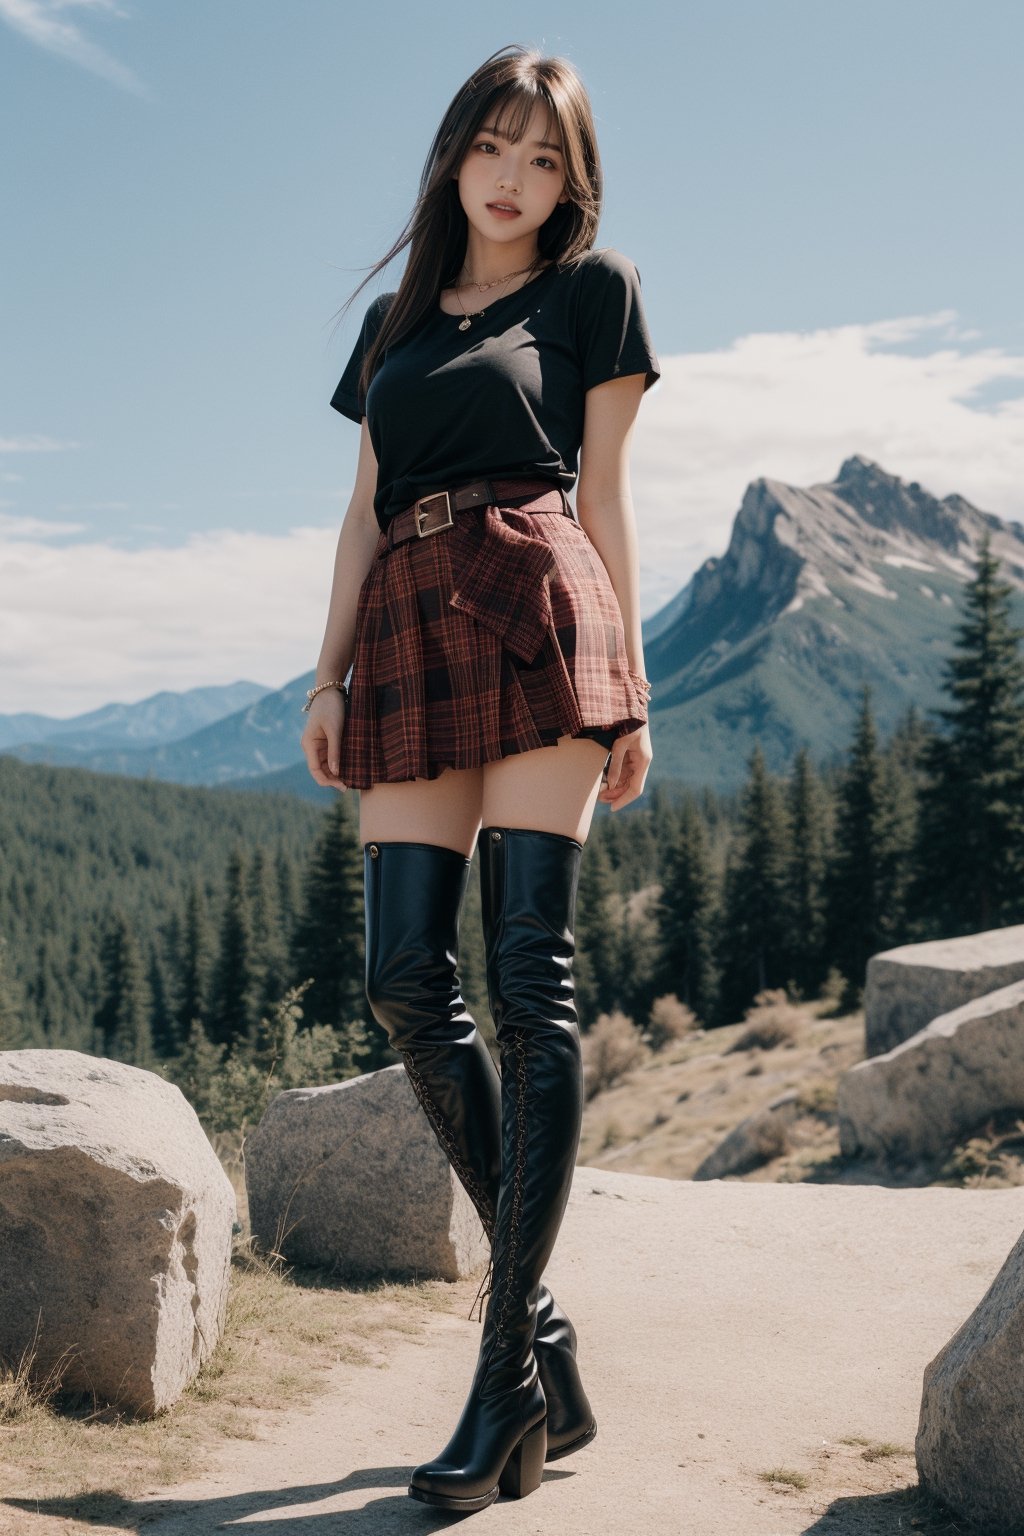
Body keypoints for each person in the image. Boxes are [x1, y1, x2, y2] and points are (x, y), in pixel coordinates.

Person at [300, 41, 660, 1513]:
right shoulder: (395, 322)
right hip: (403, 623)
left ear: (571, 183)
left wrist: (633, 686)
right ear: (453, 155)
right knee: (401, 975)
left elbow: (613, 494)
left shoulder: (593, 293)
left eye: (545, 161)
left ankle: (503, 1373)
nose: (514, 181)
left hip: (538, 606)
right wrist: (324, 673)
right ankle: (549, 1339)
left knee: (527, 976)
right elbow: (362, 510)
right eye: (494, 150)